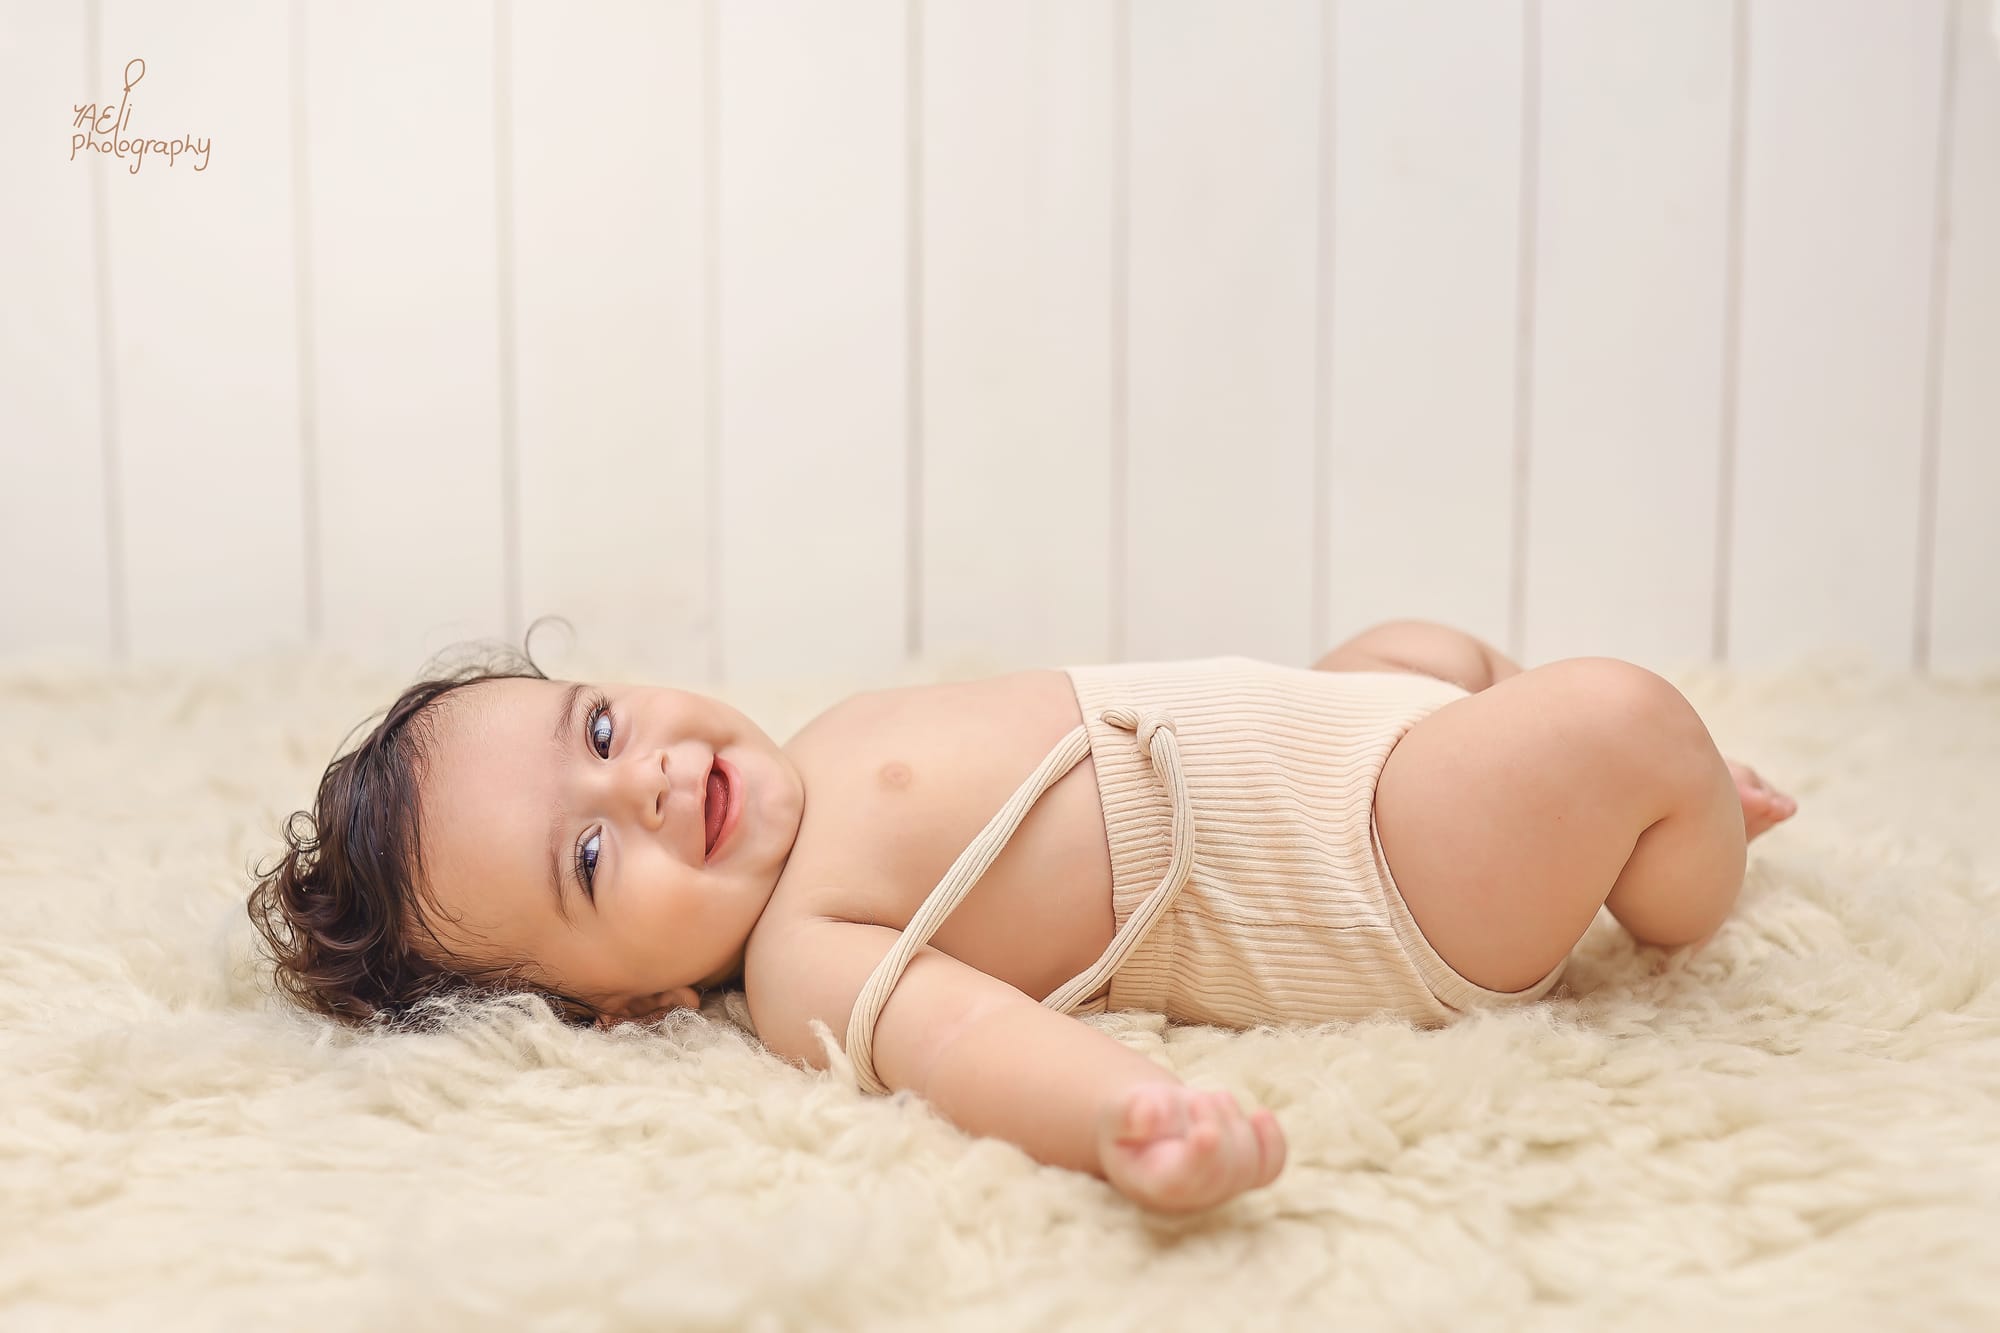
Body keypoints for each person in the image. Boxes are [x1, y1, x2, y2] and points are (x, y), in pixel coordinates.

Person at [248, 617, 1796, 1215]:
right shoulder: (801, 958)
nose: (643, 779)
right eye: (591, 860)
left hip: (1338, 744)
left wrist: (1389, 709)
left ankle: (1605, 801)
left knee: (1428, 645)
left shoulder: (820, 738)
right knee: (1618, 713)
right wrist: (1129, 1115)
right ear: (626, 1006)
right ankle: (1669, 836)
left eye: (598, 728)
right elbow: (967, 1040)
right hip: (1374, 873)